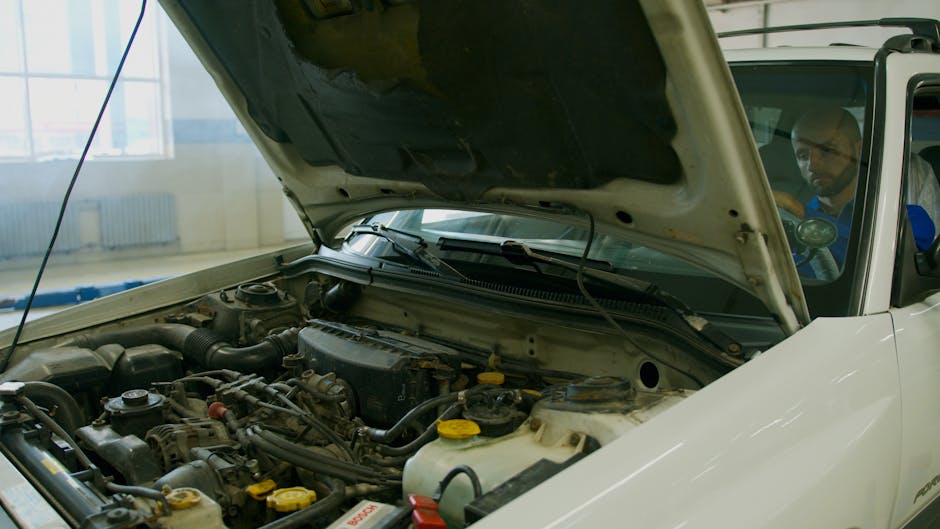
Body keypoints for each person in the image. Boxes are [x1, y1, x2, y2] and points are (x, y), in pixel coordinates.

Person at [790, 107, 940, 268]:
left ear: (859, 150)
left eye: (827, 150)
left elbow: (882, 260)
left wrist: (804, 216)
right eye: (803, 156)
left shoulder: (904, 217)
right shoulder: (789, 222)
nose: (813, 165)